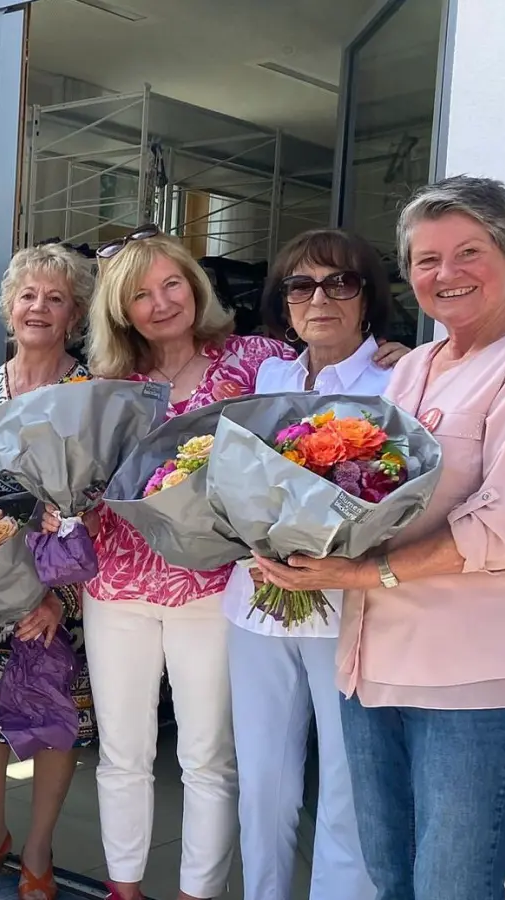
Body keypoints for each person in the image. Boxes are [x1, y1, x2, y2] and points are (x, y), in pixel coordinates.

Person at [71, 227, 405, 900]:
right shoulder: (106, 384)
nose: (161, 302)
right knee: (132, 753)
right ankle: (127, 888)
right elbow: (82, 474)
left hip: (222, 587)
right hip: (128, 582)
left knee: (218, 760)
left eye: (171, 283)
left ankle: (201, 892)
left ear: (195, 286)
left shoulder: (254, 360)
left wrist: (396, 355)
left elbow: (326, 366)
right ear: (120, 310)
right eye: (140, 293)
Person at [254, 175, 505, 899]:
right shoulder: (411, 371)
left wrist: (354, 577)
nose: (447, 274)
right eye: (426, 260)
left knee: (453, 884)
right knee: (390, 877)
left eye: (468, 252)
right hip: (370, 669)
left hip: (470, 683)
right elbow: (361, 494)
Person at [223, 229, 399, 900]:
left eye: (339, 283)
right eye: (301, 285)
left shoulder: (397, 377)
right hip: (258, 599)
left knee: (349, 788)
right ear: (284, 301)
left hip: (345, 608)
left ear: (367, 299)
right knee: (262, 780)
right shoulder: (269, 376)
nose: (319, 298)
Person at [0, 244, 95, 900]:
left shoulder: (90, 393)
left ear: (74, 316)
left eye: (55, 298)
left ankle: (37, 848)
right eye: (29, 295)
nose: (39, 307)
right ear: (9, 307)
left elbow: (99, 502)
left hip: (61, 589)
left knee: (54, 713)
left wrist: (59, 596)